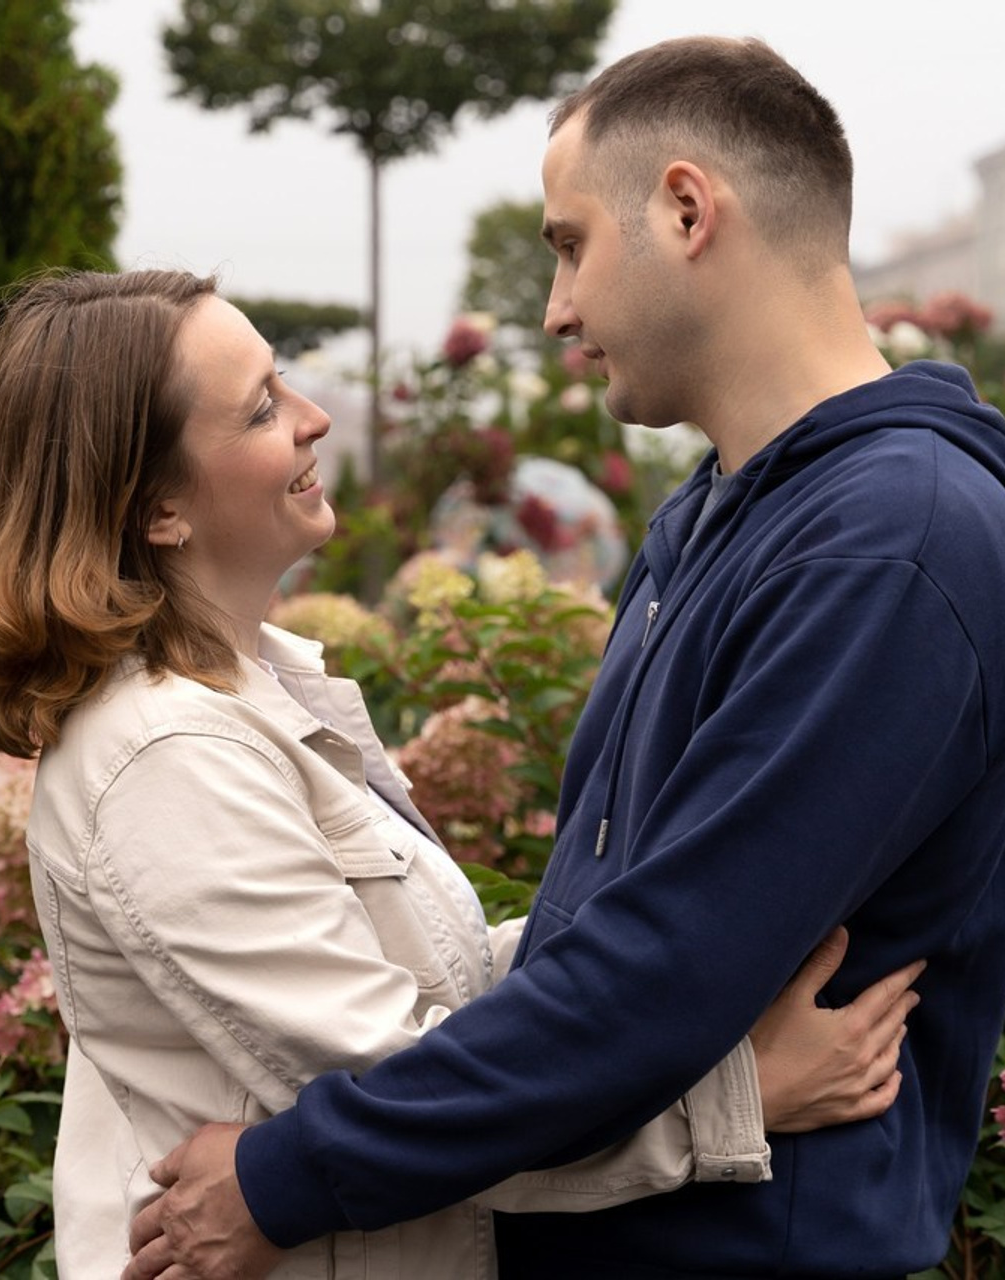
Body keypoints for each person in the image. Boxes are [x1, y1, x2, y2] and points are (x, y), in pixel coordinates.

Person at [125, 35, 1005, 1280]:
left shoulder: (884, 544)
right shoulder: (724, 513)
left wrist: (283, 1174)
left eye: (568, 244)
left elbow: (645, 976)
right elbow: (593, 934)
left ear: (687, 210)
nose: (553, 310)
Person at [0, 266, 917, 1280]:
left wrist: (687, 949)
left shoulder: (259, 690)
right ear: (158, 507)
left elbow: (436, 976)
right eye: (260, 409)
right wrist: (742, 1095)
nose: (310, 420)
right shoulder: (167, 758)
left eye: (284, 382)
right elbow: (398, 1077)